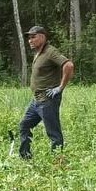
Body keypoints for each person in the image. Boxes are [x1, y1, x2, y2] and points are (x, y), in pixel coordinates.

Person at [18, 25, 75, 159]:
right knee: (24, 125)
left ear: (42, 37)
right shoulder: (38, 53)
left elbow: (69, 65)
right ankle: (25, 157)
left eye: (33, 37)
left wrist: (60, 88)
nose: (30, 40)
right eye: (29, 38)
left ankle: (58, 163)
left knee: (54, 134)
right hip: (36, 100)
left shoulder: (50, 52)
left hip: (48, 101)